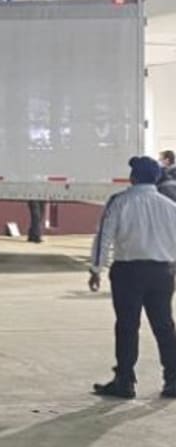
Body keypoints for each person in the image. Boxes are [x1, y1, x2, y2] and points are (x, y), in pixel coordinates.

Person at [88, 156, 176, 399]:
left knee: (127, 326)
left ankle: (125, 380)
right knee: (164, 326)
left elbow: (104, 236)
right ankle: (173, 379)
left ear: (133, 177)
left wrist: (96, 269)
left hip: (129, 272)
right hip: (162, 272)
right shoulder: (170, 206)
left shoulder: (120, 202)